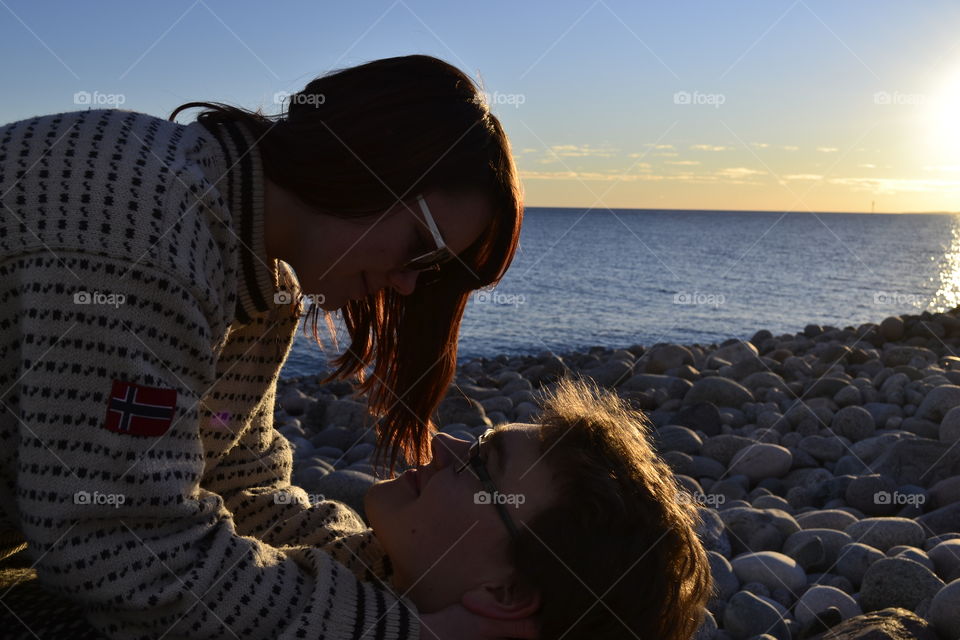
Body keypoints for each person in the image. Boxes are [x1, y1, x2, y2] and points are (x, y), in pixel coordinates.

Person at [0, 54, 526, 639]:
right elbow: (118, 548)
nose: (407, 284)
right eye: (421, 249)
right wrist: (404, 631)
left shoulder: (265, 278)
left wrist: (399, 574)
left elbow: (238, 485)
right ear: (365, 157)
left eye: (431, 273)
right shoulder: (148, 231)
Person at [344, 378, 712, 640]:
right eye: (478, 441)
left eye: (480, 465)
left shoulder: (305, 607)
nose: (442, 442)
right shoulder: (343, 563)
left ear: (506, 593)